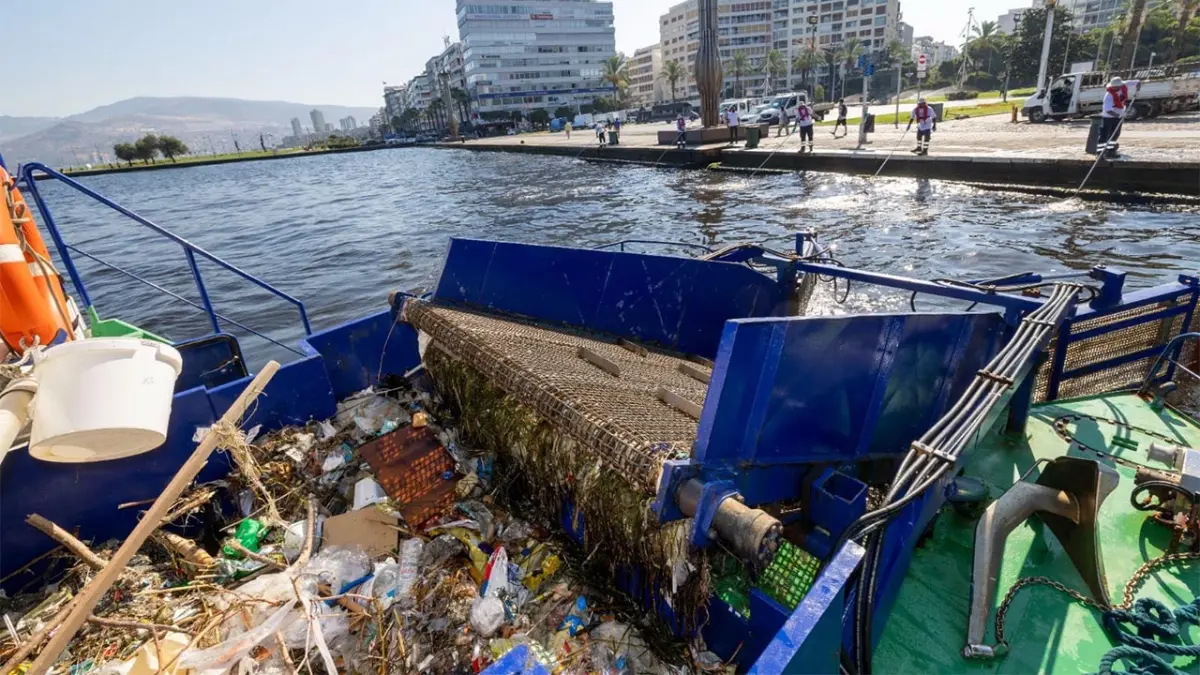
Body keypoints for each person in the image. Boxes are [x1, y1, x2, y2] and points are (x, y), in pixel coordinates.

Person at [1100, 76, 1131, 157]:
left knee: (1115, 134)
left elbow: (1136, 82)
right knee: (1105, 135)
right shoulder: (1108, 96)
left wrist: (1138, 88)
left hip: (1118, 117)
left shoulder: (1122, 88)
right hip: (1108, 118)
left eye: (1117, 87)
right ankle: (1100, 153)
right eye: (1114, 87)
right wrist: (1118, 115)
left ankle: (1110, 152)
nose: (1116, 88)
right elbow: (1108, 110)